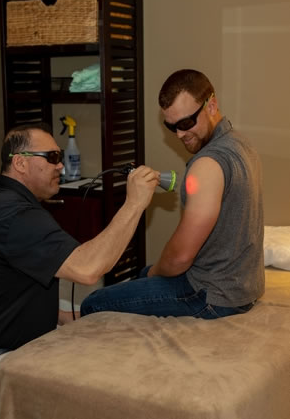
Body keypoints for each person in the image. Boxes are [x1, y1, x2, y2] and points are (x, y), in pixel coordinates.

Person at [0, 122, 160, 395]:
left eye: (59, 156)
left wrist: (62, 317)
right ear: (20, 163)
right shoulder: (15, 216)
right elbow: (88, 269)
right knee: (111, 379)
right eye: (51, 158)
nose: (60, 166)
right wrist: (134, 204)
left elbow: (8, 289)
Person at [80, 68, 265, 320]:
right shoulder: (241, 144)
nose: (179, 134)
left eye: (186, 123)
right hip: (244, 288)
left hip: (212, 295)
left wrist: (155, 273)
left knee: (93, 303)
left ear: (211, 105)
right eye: (171, 126)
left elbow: (180, 257)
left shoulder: (207, 165)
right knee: (144, 274)